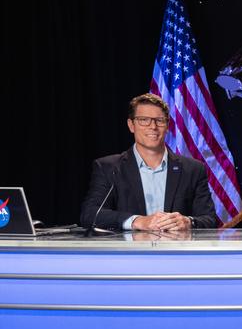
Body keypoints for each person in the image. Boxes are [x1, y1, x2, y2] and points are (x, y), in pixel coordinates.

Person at [79, 93, 217, 231]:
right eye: (144, 120)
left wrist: (189, 222)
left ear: (167, 126)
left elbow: (209, 219)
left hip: (176, 250)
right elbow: (90, 214)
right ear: (131, 125)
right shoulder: (109, 167)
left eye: (160, 120)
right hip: (130, 251)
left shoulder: (193, 169)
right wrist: (137, 221)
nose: (153, 126)